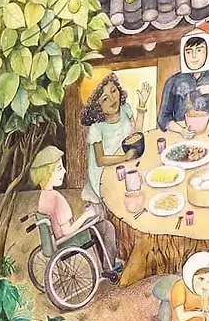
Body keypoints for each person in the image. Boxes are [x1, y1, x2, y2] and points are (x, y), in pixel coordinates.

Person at [29, 146, 123, 281]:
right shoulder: (56, 198)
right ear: (47, 173)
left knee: (97, 226)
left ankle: (105, 263)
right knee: (106, 227)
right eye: (59, 168)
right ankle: (109, 267)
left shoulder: (43, 196)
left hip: (55, 239)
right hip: (67, 241)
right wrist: (86, 215)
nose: (65, 171)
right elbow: (67, 231)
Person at [79, 70, 149, 214]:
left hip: (124, 163)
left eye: (113, 91)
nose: (112, 99)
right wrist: (125, 157)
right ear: (96, 106)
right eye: (105, 99)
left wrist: (141, 107)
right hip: (104, 172)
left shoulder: (125, 109)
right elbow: (100, 160)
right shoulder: (96, 127)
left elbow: (136, 134)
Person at [156, 22, 209, 135]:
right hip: (184, 137)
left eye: (199, 50)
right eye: (188, 51)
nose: (193, 56)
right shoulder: (173, 81)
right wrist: (181, 130)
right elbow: (163, 119)